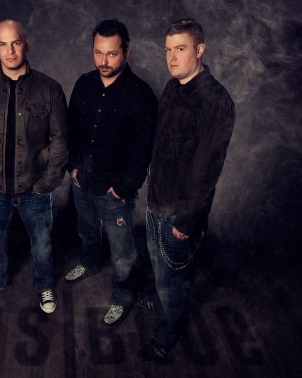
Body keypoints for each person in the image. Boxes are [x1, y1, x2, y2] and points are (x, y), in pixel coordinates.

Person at [137, 18, 235, 363]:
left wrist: (187, 220)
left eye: (180, 49)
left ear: (200, 50)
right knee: (161, 271)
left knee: (173, 280)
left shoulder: (215, 101)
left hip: (179, 214)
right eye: (168, 50)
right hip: (157, 202)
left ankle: (167, 333)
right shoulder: (172, 87)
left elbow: (206, 171)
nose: (172, 57)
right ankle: (164, 302)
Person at [0, 20, 68, 314]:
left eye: (16, 43)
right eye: (3, 44)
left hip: (35, 189)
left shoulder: (49, 89)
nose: (10, 51)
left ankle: (44, 285)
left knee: (42, 244)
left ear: (26, 44)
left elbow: (60, 141)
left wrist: (46, 184)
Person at [65, 19, 158, 326]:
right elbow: (69, 129)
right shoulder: (84, 84)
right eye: (98, 52)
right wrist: (72, 167)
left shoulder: (141, 95)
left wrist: (123, 188)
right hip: (82, 182)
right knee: (87, 231)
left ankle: (122, 297)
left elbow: (145, 150)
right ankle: (90, 263)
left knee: (122, 252)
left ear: (126, 52)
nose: (103, 61)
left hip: (114, 192)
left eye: (112, 54)